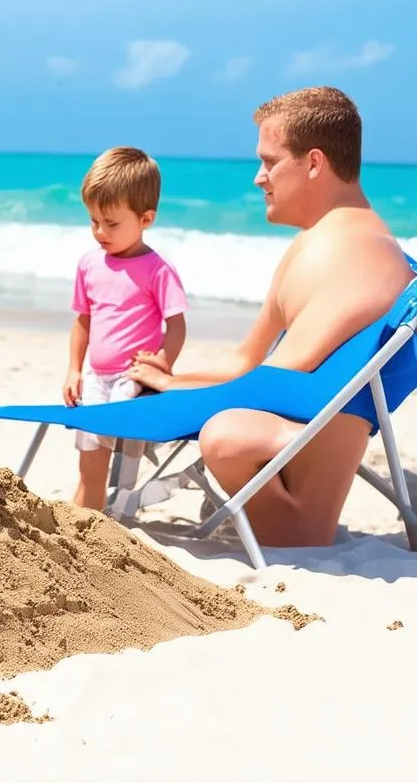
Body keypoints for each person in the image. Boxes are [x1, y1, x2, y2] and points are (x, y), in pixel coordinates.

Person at [128, 86, 413, 547]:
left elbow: (282, 377)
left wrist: (175, 393)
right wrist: (171, 377)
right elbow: (247, 362)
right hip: (290, 425)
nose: (259, 178)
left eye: (270, 161)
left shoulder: (359, 250)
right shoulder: (316, 243)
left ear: (314, 163)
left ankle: (268, 513)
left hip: (308, 459)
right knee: (203, 418)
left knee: (227, 435)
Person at [62, 147, 188, 510]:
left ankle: (124, 498)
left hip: (132, 377)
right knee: (90, 453)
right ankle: (88, 511)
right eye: (93, 221)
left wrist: (160, 364)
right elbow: (83, 321)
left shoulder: (157, 269)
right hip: (97, 376)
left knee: (121, 434)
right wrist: (73, 370)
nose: (100, 231)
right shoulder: (89, 264)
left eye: (111, 223)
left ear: (146, 218)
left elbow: (176, 325)